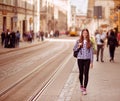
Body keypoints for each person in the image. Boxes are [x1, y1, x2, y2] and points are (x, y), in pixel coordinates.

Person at [73, 29, 94, 95]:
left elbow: (91, 52)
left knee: (86, 73)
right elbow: (74, 49)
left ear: (87, 34)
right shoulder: (78, 41)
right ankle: (81, 85)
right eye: (83, 33)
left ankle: (84, 88)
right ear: (82, 34)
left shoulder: (90, 42)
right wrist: (78, 46)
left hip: (87, 59)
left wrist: (91, 62)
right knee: (81, 73)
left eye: (86, 33)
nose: (85, 34)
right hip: (80, 59)